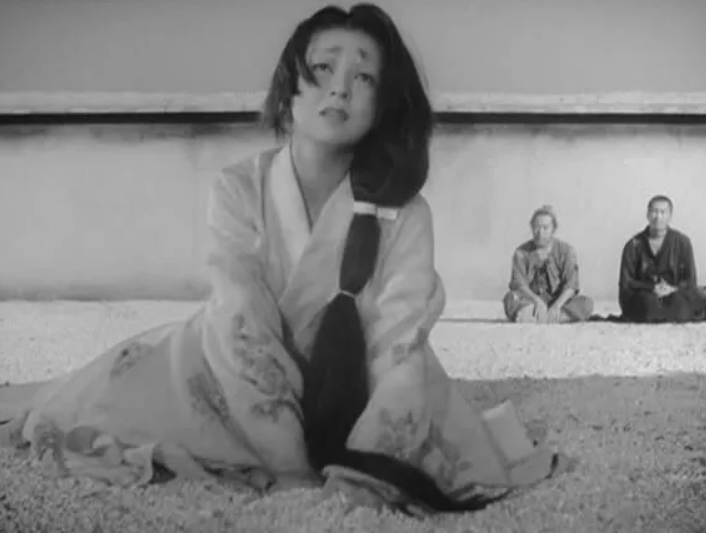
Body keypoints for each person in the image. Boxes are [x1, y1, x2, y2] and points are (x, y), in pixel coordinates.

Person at [0, 3, 569, 515]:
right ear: (288, 85)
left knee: (423, 415)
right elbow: (241, 323)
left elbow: (398, 346)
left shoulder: (407, 213)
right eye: (323, 67)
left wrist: (365, 473)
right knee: (94, 405)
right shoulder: (238, 188)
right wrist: (292, 468)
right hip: (226, 372)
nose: (340, 89)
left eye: (364, 76)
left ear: (384, 102)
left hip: (358, 388)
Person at [618, 195, 706, 323]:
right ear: (647, 214)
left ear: (670, 216)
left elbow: (690, 280)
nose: (658, 217)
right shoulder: (633, 245)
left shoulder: (682, 242)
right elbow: (626, 282)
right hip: (645, 295)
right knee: (648, 303)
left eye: (663, 212)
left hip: (675, 294)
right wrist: (652, 288)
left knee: (682, 302)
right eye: (654, 211)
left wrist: (672, 289)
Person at [503, 205, 594, 324]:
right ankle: (544, 317)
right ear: (531, 227)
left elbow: (571, 285)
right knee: (509, 299)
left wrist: (557, 305)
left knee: (587, 303)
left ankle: (551, 317)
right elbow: (518, 284)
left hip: (559, 303)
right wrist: (536, 301)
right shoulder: (521, 253)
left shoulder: (566, 251)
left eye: (545, 228)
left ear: (553, 229)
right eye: (536, 227)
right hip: (532, 302)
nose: (540, 232)